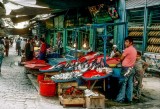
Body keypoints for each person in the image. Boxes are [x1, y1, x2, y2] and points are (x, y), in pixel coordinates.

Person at [115, 37, 137, 103]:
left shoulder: (127, 49)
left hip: (126, 69)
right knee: (130, 84)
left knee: (122, 83)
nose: (125, 43)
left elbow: (121, 58)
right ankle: (129, 99)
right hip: (132, 68)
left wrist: (119, 59)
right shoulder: (134, 49)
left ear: (131, 43)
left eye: (127, 42)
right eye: (125, 42)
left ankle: (120, 99)